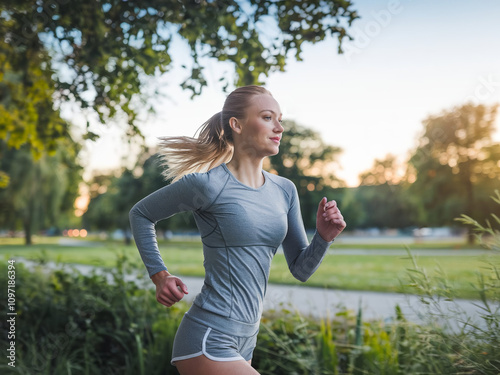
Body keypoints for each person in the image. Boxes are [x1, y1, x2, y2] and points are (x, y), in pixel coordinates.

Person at [129, 85, 346, 375]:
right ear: (237, 124)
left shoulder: (285, 190)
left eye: (280, 118)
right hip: (208, 337)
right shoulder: (207, 185)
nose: (279, 127)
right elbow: (141, 214)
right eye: (268, 117)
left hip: (247, 341)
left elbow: (300, 269)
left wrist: (323, 238)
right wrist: (160, 275)